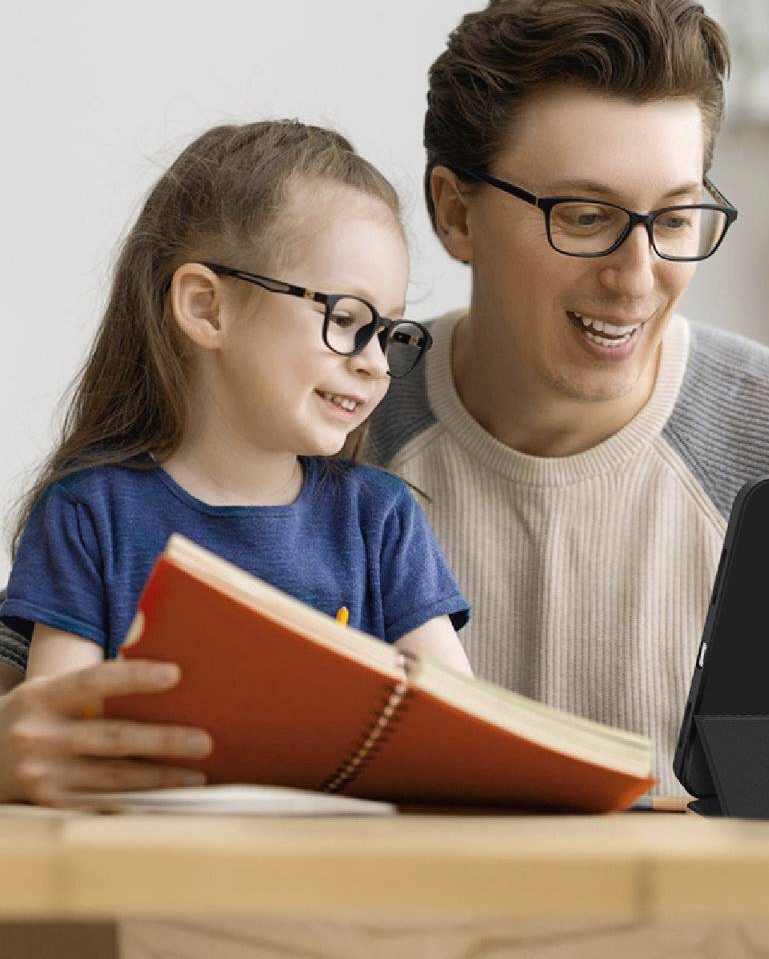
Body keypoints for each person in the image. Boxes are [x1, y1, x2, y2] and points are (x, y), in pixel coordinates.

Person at [366, 0, 769, 794]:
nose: (637, 277)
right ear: (455, 213)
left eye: (675, 217)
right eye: (585, 216)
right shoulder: (337, 428)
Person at [0, 121, 470, 805]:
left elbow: (463, 735)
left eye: (388, 331)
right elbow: (58, 754)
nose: (375, 363)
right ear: (206, 308)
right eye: (346, 320)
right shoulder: (86, 515)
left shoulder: (381, 519)